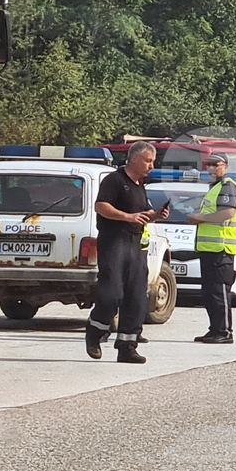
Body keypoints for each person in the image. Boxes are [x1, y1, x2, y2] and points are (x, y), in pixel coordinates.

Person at [85, 141, 169, 364]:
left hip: (135, 246)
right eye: (148, 160)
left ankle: (127, 347)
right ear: (134, 159)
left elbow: (142, 214)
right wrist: (127, 217)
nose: (151, 165)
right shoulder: (114, 180)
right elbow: (101, 206)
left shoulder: (140, 185)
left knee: (136, 298)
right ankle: (95, 331)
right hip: (114, 242)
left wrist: (155, 215)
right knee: (112, 294)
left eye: (153, 161)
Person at [187, 152, 236, 344]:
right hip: (210, 249)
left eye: (214, 164)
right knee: (209, 293)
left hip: (221, 249)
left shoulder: (227, 186)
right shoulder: (215, 187)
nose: (210, 168)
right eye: (208, 165)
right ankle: (215, 329)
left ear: (225, 166)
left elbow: (227, 213)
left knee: (219, 292)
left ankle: (224, 332)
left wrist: (199, 217)